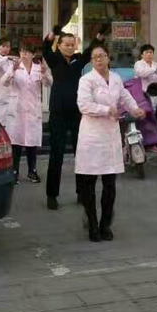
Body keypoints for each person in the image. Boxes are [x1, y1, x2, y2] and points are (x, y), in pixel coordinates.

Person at [76, 45, 145, 241]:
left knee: (110, 183)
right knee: (89, 183)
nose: (99, 59)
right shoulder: (86, 80)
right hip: (92, 136)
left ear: (108, 58)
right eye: (95, 57)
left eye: (102, 56)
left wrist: (135, 109)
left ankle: (105, 224)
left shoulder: (115, 78)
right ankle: (92, 224)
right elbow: (84, 105)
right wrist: (106, 110)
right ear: (91, 61)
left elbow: (124, 97)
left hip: (110, 136)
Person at [42, 25, 103, 210]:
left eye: (72, 44)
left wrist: (99, 36)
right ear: (59, 45)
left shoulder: (79, 60)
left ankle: (81, 193)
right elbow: (45, 48)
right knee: (56, 155)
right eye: (66, 44)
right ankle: (52, 195)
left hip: (77, 113)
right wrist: (53, 34)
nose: (69, 47)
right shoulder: (54, 59)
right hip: (58, 113)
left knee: (81, 154)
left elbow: (91, 50)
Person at [3, 39, 52, 184]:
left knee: (31, 142)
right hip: (17, 110)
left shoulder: (39, 68)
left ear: (33, 54)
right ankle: (14, 171)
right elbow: (4, 82)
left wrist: (45, 73)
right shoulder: (14, 67)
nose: (24, 54)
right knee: (16, 143)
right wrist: (12, 70)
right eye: (22, 51)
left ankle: (32, 171)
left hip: (32, 111)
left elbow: (49, 83)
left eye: (27, 52)